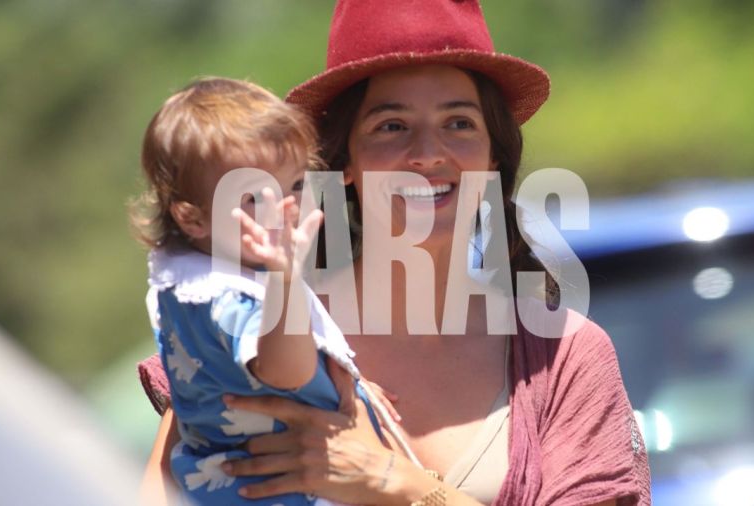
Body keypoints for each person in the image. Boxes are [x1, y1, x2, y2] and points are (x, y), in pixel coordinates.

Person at [139, 1, 652, 505]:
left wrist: (396, 484)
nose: (428, 153)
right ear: (343, 160)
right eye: (391, 126)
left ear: (492, 155)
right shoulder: (241, 326)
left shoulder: (563, 355)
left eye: (459, 123)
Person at [132, 76, 406, 505]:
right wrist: (285, 282)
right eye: (253, 199)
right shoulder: (228, 298)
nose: (286, 210)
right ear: (192, 218)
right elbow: (286, 371)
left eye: (295, 185)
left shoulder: (190, 283)